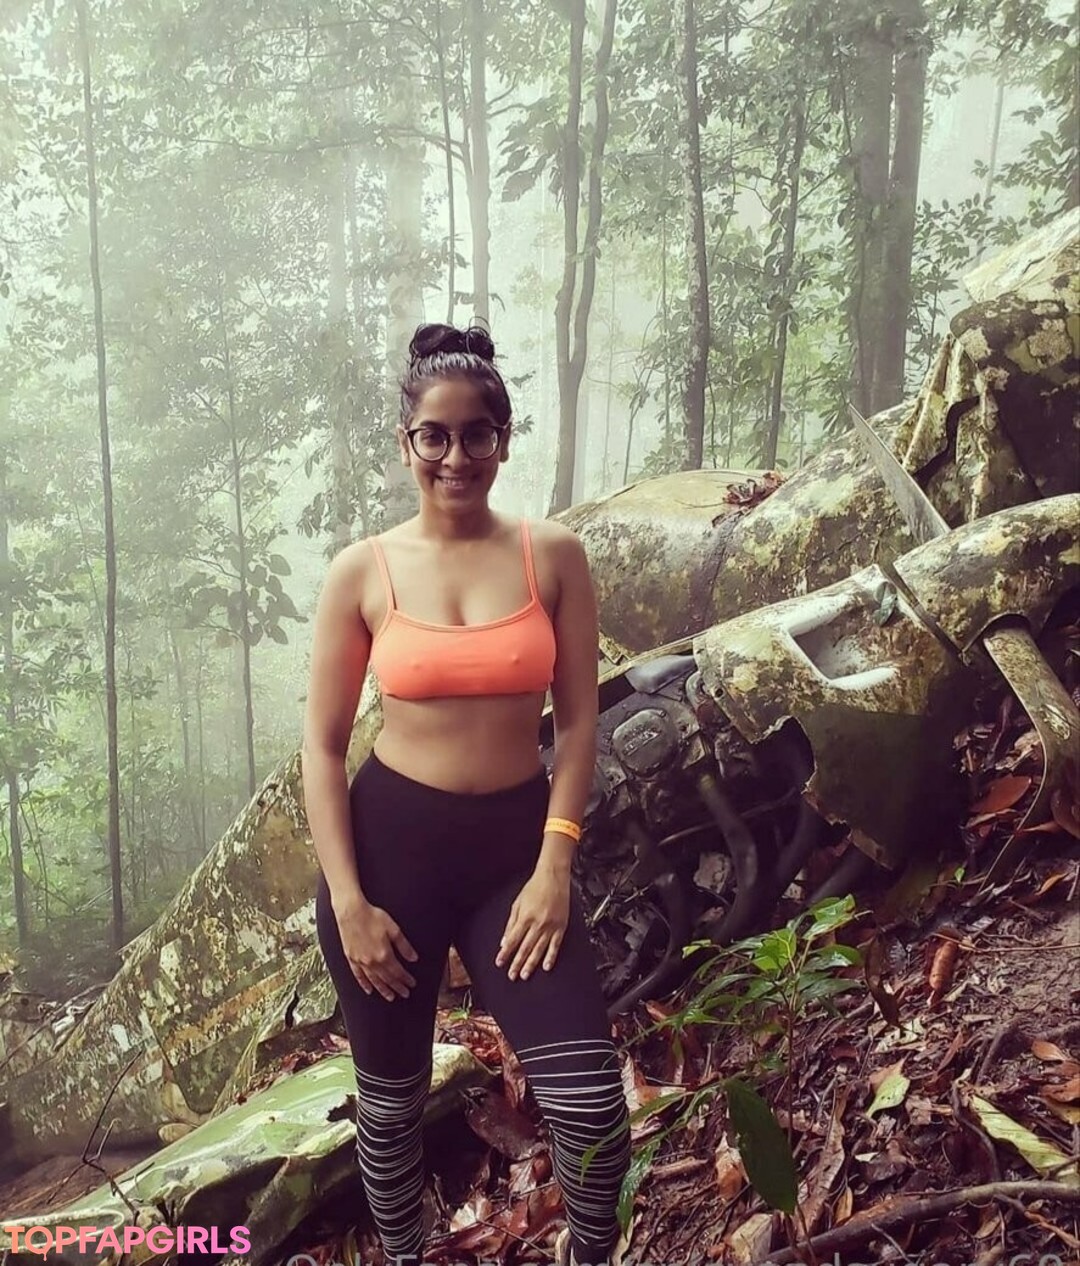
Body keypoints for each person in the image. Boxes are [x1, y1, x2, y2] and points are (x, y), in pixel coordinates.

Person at [302, 322, 631, 1266]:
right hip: (387, 860)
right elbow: (322, 748)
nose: (456, 457)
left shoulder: (553, 555)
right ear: (405, 443)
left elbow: (578, 726)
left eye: (476, 433)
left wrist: (555, 864)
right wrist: (349, 901)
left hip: (515, 861)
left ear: (503, 439)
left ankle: (587, 1253)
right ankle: (407, 1255)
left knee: (591, 1108)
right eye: (434, 437)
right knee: (392, 1106)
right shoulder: (362, 570)